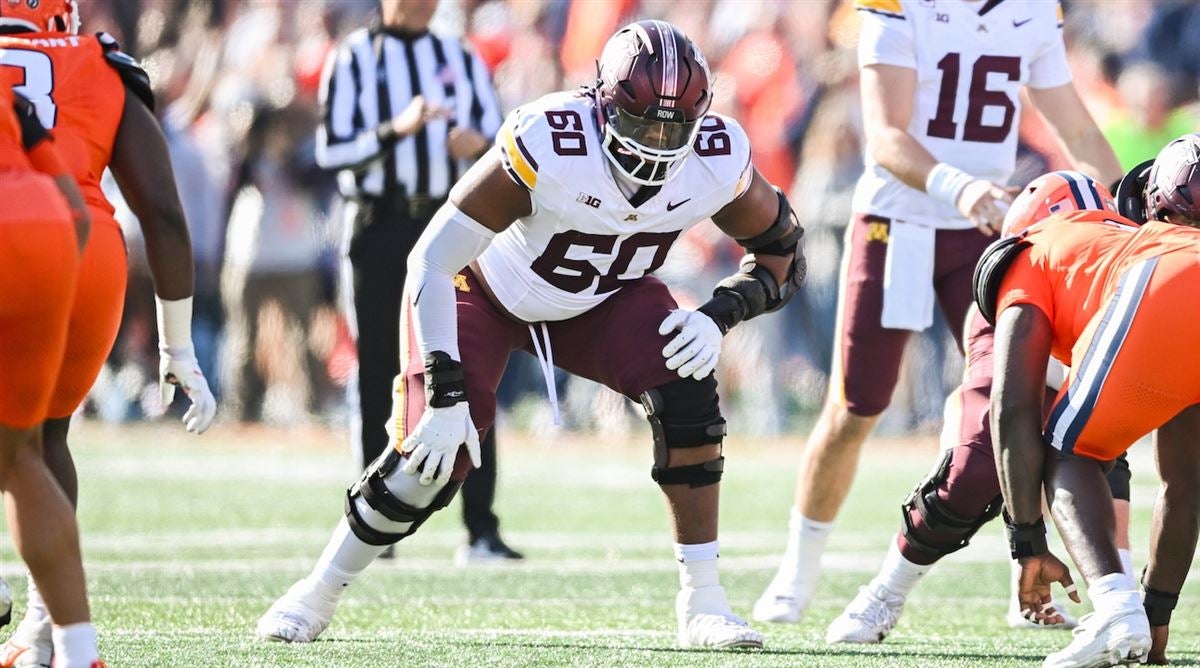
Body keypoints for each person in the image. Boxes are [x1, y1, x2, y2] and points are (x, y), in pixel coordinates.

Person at [257, 19, 806, 649]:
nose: (656, 147)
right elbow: (430, 260)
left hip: (603, 299)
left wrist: (718, 315)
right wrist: (444, 394)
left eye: (672, 129)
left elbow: (784, 253)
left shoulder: (716, 155)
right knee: (430, 460)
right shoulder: (550, 140)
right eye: (641, 126)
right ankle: (318, 590)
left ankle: (704, 602)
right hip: (486, 292)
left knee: (689, 384)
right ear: (603, 107)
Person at [755, 0, 1123, 625]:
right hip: (897, 222)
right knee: (855, 407)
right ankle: (798, 570)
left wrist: (1139, 210)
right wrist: (963, 187)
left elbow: (1079, 133)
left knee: (1020, 398)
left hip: (985, 231)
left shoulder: (1033, 10)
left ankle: (1024, 570)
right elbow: (886, 138)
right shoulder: (901, 6)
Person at [824, 171, 1135, 644]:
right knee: (977, 466)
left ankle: (1120, 600)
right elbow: (1009, 419)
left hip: (1089, 344)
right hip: (1023, 332)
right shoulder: (1017, 284)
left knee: (1096, 447)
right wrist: (1027, 541)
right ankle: (885, 592)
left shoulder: (1132, 271)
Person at [0, 2, 216, 665]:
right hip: (82, 244)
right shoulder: (98, 62)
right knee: (40, 444)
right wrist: (178, 344)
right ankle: (49, 631)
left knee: (15, 451)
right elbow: (163, 211)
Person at [981, 134, 1200, 667]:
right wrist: (1158, 612)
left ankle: (1117, 609)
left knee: (1070, 449)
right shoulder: (1124, 241)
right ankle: (1147, 619)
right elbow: (1185, 483)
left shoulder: (1034, 250)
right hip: (1169, 286)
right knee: (1188, 472)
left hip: (1162, 283)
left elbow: (1011, 410)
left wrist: (1027, 542)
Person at [317, 0, 520, 562]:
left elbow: (507, 141)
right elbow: (330, 149)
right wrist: (395, 129)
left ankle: (480, 527)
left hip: (449, 223)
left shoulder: (460, 54)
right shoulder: (354, 57)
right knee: (379, 370)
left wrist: (478, 145)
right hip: (379, 223)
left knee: (473, 363)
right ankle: (372, 526)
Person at [0, 80, 99, 668]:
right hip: (51, 231)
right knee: (21, 458)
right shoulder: (8, 91)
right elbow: (75, 211)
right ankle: (78, 651)